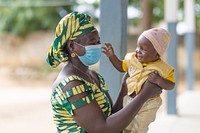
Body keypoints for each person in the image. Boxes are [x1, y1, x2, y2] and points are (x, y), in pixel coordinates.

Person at [46, 11, 162, 133]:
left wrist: (124, 88)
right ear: (72, 47)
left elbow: (111, 117)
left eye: (98, 41)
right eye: (92, 43)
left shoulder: (94, 76)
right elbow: (103, 129)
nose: (97, 46)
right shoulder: (70, 84)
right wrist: (144, 95)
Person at [103, 28, 175, 133]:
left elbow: (171, 85)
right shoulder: (131, 59)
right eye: (137, 46)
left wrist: (160, 81)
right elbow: (120, 67)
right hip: (129, 98)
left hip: (149, 104)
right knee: (126, 124)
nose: (138, 50)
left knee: (140, 125)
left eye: (143, 49)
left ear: (157, 54)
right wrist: (112, 56)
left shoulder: (163, 68)